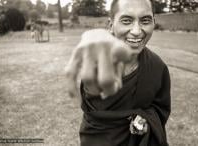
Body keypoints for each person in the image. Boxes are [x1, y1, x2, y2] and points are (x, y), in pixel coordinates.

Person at [65, 0, 171, 145]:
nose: (136, 31)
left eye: (145, 20)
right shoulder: (99, 63)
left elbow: (160, 109)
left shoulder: (157, 66)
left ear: (154, 22)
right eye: (126, 21)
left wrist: (145, 120)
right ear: (111, 25)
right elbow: (94, 108)